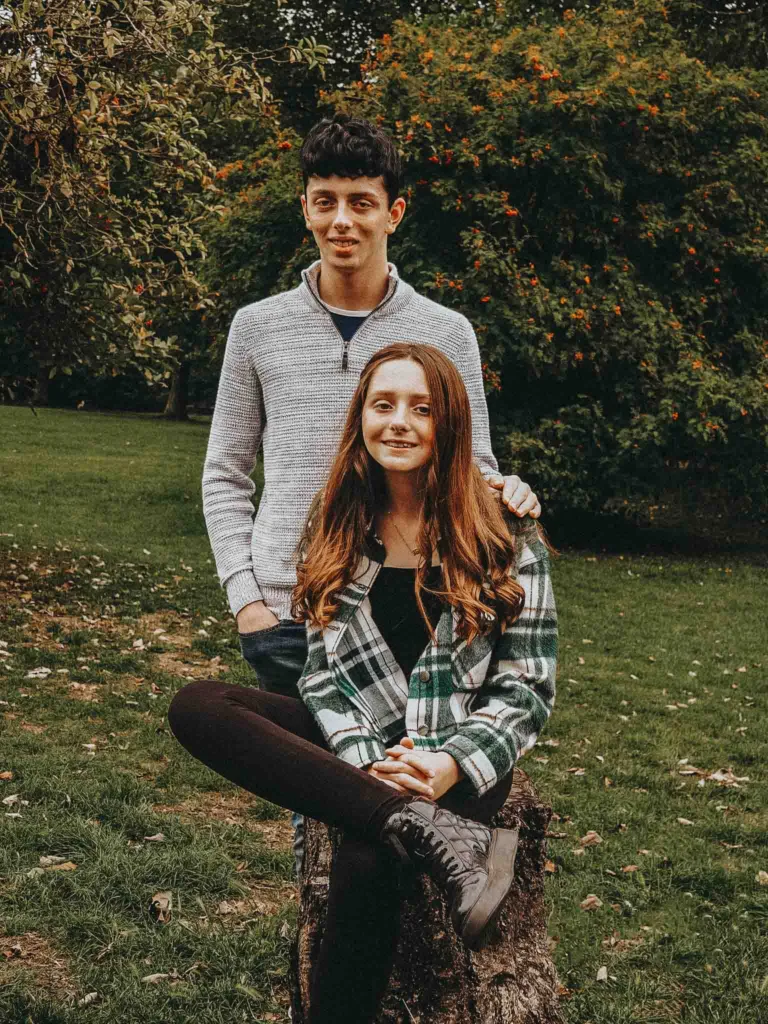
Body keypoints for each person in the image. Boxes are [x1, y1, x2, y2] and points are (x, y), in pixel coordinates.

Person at [170, 343, 557, 1024]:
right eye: (383, 404)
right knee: (200, 704)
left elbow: (526, 689)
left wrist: (445, 764)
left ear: (451, 424)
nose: (399, 422)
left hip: (460, 752)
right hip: (366, 741)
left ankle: (413, 825)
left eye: (421, 407)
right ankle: (417, 826)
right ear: (362, 418)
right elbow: (321, 675)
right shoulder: (337, 522)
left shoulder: (501, 531)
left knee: (367, 864)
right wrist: (367, 765)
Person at [202, 112, 541, 704]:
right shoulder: (256, 327)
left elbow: (472, 465)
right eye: (325, 201)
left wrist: (507, 489)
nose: (342, 220)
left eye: (361, 202)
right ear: (305, 208)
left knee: (390, 785)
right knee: (302, 784)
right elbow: (224, 475)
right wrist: (246, 601)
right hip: (287, 607)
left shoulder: (447, 332)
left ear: (394, 213)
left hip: (409, 601)